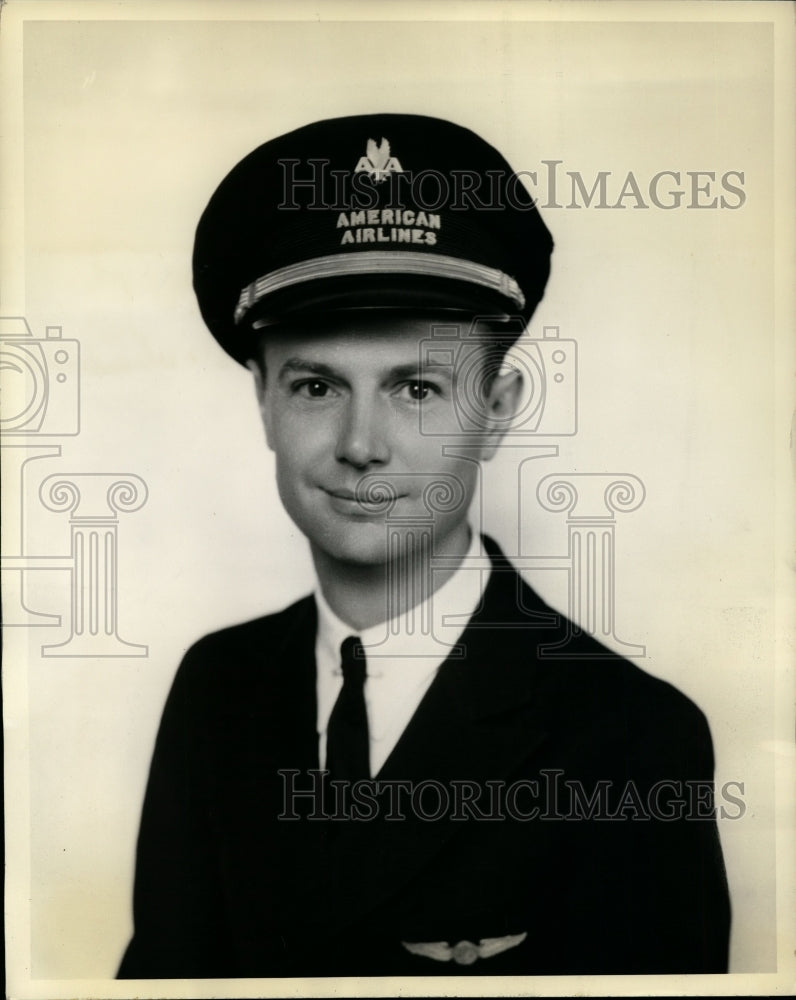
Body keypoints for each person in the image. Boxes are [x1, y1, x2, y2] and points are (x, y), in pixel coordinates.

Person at [118, 114, 730, 978]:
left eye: (416, 387)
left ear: (498, 408)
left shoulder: (629, 740)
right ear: (262, 398)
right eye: (317, 384)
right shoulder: (217, 687)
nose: (361, 443)